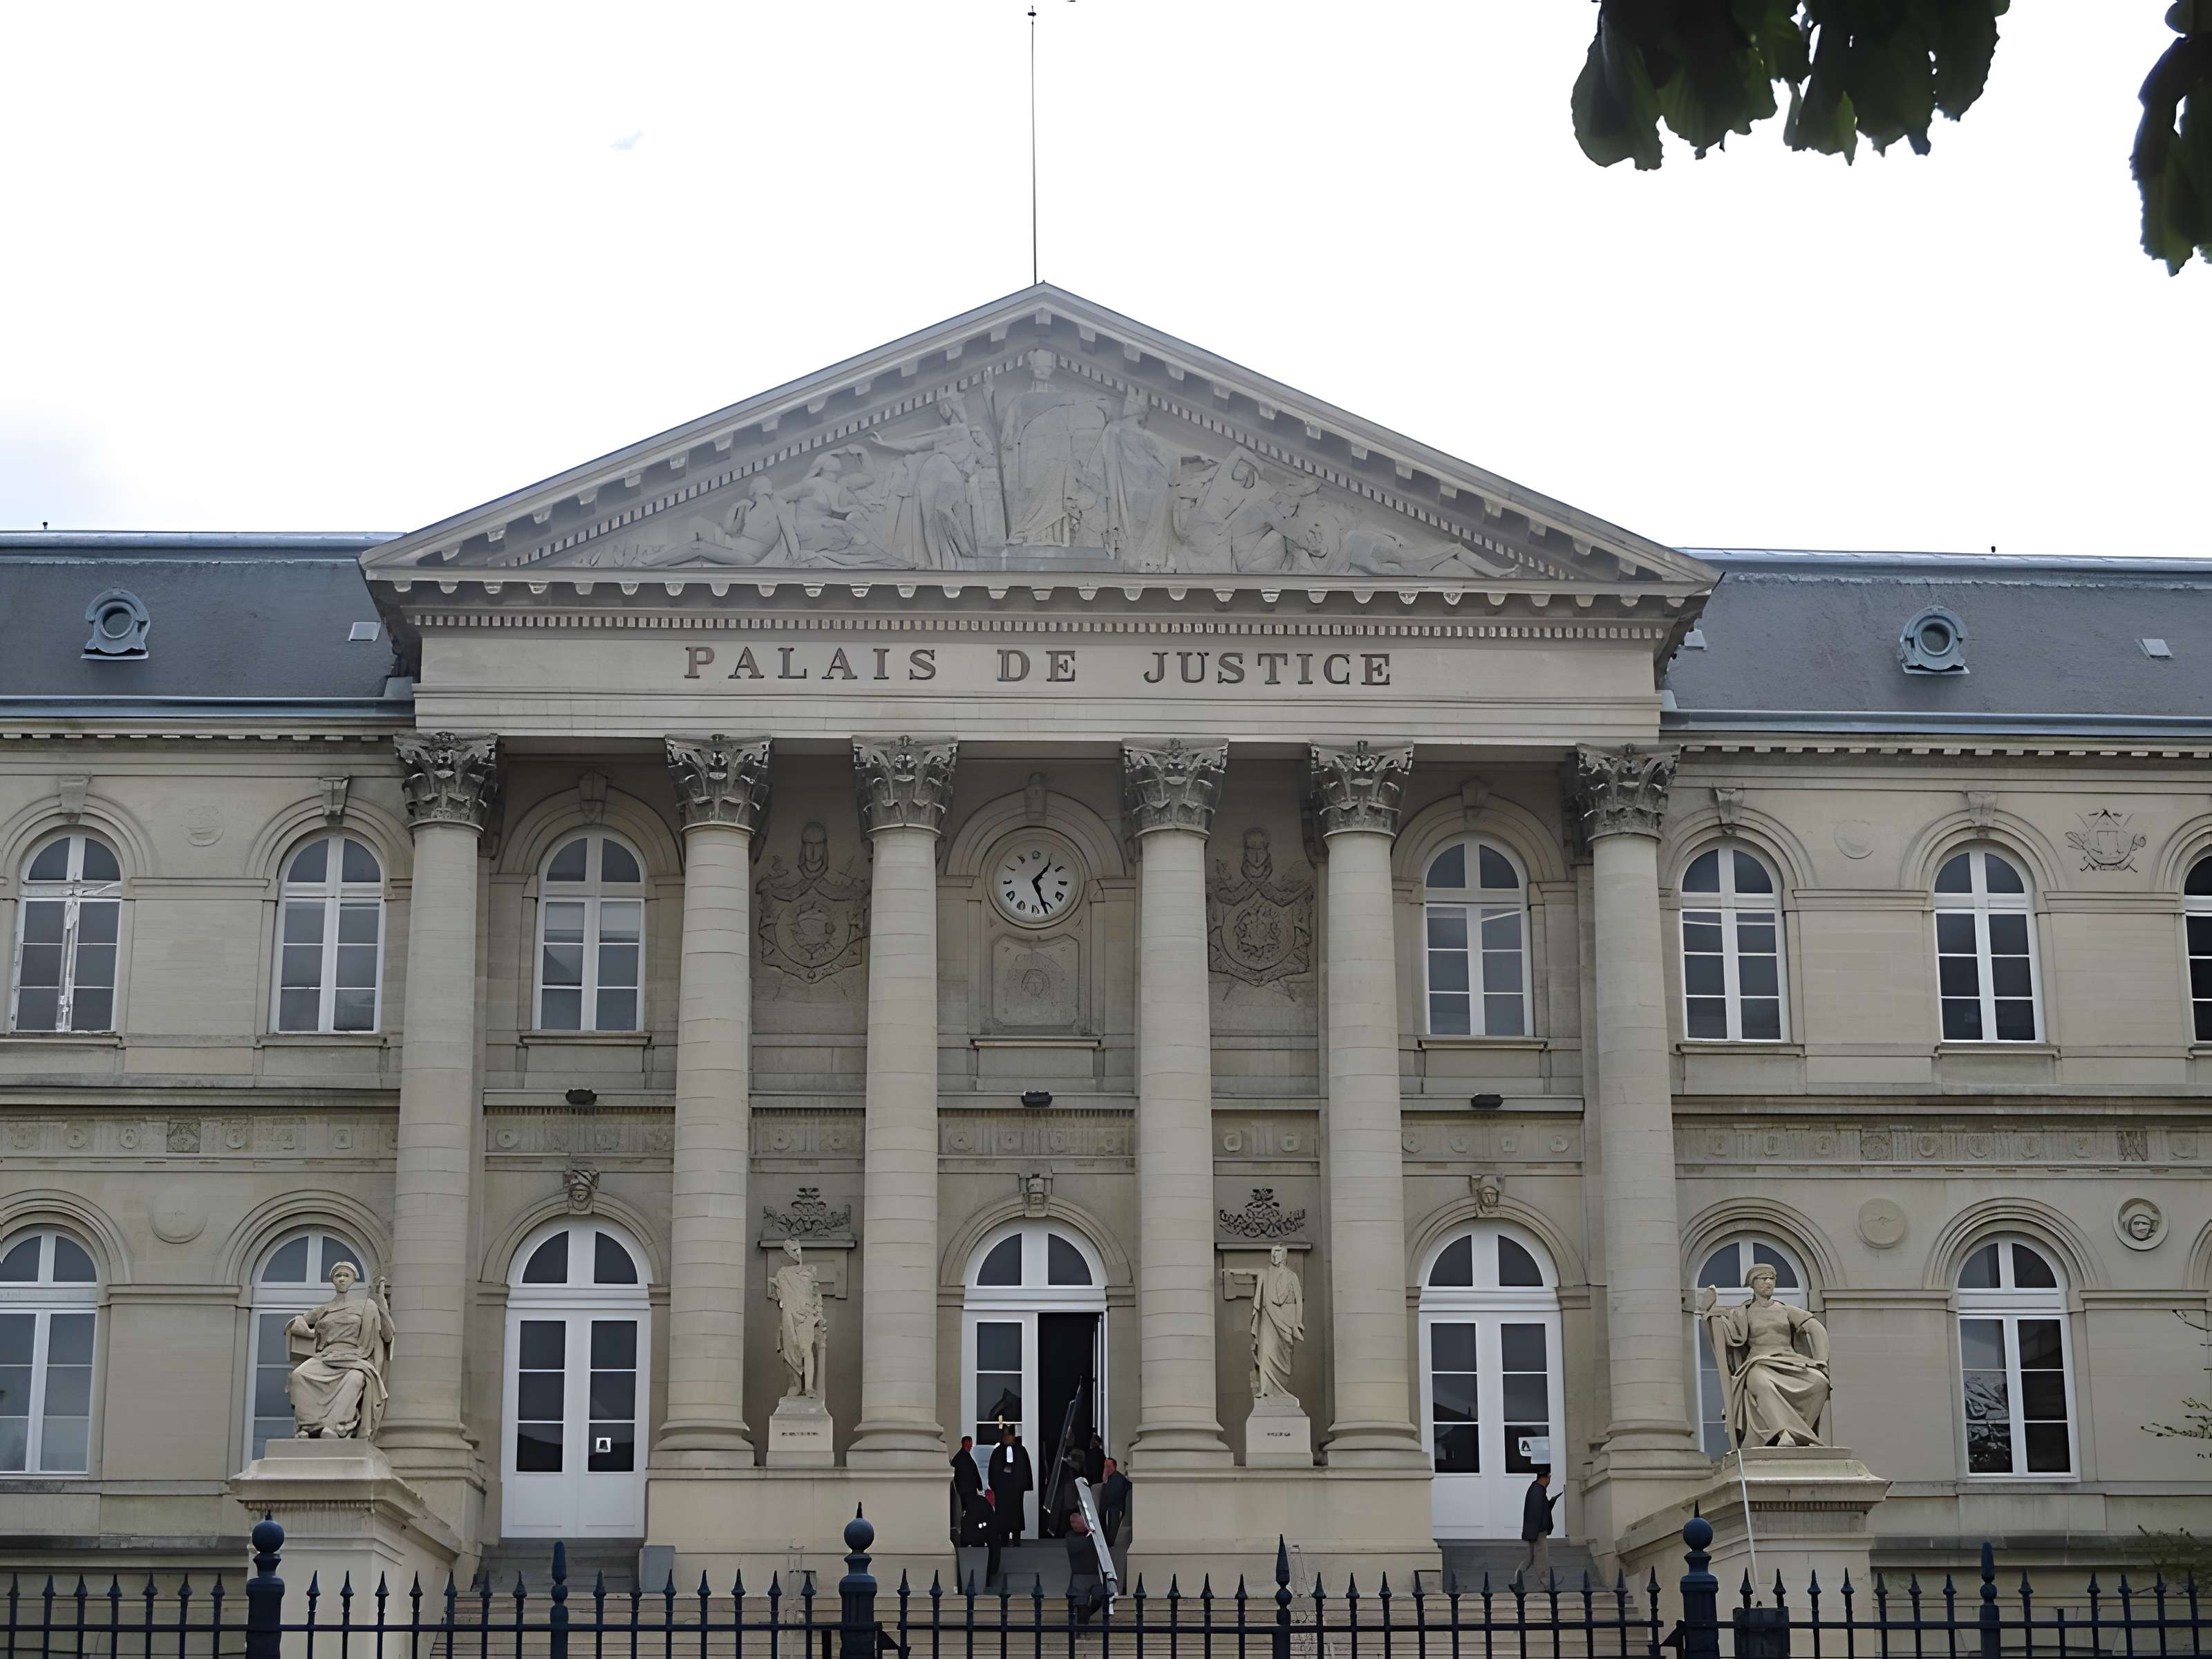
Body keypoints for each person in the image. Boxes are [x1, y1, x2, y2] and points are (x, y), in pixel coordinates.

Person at [987, 1425, 1033, 1543]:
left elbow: (1024, 1470)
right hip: (1002, 1491)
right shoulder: (997, 1452)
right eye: (1005, 1435)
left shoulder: (1021, 1451)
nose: (1006, 1437)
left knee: (1016, 1514)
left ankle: (1017, 1538)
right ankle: (1004, 1538)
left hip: (1015, 1491)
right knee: (1003, 1515)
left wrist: (1021, 1485)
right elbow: (993, 1471)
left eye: (1009, 1435)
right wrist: (996, 1486)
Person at [1063, 1510, 1107, 1624]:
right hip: (1081, 1576)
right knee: (1080, 1603)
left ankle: (1085, 1615)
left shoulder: (1096, 1535)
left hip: (1096, 1574)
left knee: (1100, 1598)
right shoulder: (1071, 1537)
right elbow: (1080, 1546)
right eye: (1072, 1522)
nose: (1074, 1523)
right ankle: (1081, 1626)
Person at [1520, 1468, 1560, 1585]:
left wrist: (1550, 1503)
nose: (1550, 1480)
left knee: (1529, 1559)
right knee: (1542, 1559)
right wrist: (1536, 1532)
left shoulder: (1537, 1489)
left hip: (1534, 1531)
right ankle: (1547, 1585)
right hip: (1538, 1532)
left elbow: (1540, 1510)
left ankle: (1516, 1580)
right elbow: (1535, 1512)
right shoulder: (1537, 1490)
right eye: (1550, 1477)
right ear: (1546, 1477)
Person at [1096, 1456, 1130, 1549]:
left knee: (1112, 1534)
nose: (1106, 1468)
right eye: (1105, 1466)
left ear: (1114, 1467)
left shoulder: (1117, 1479)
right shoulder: (1110, 1478)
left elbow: (1112, 1495)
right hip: (1110, 1508)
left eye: (1108, 1466)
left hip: (1114, 1508)